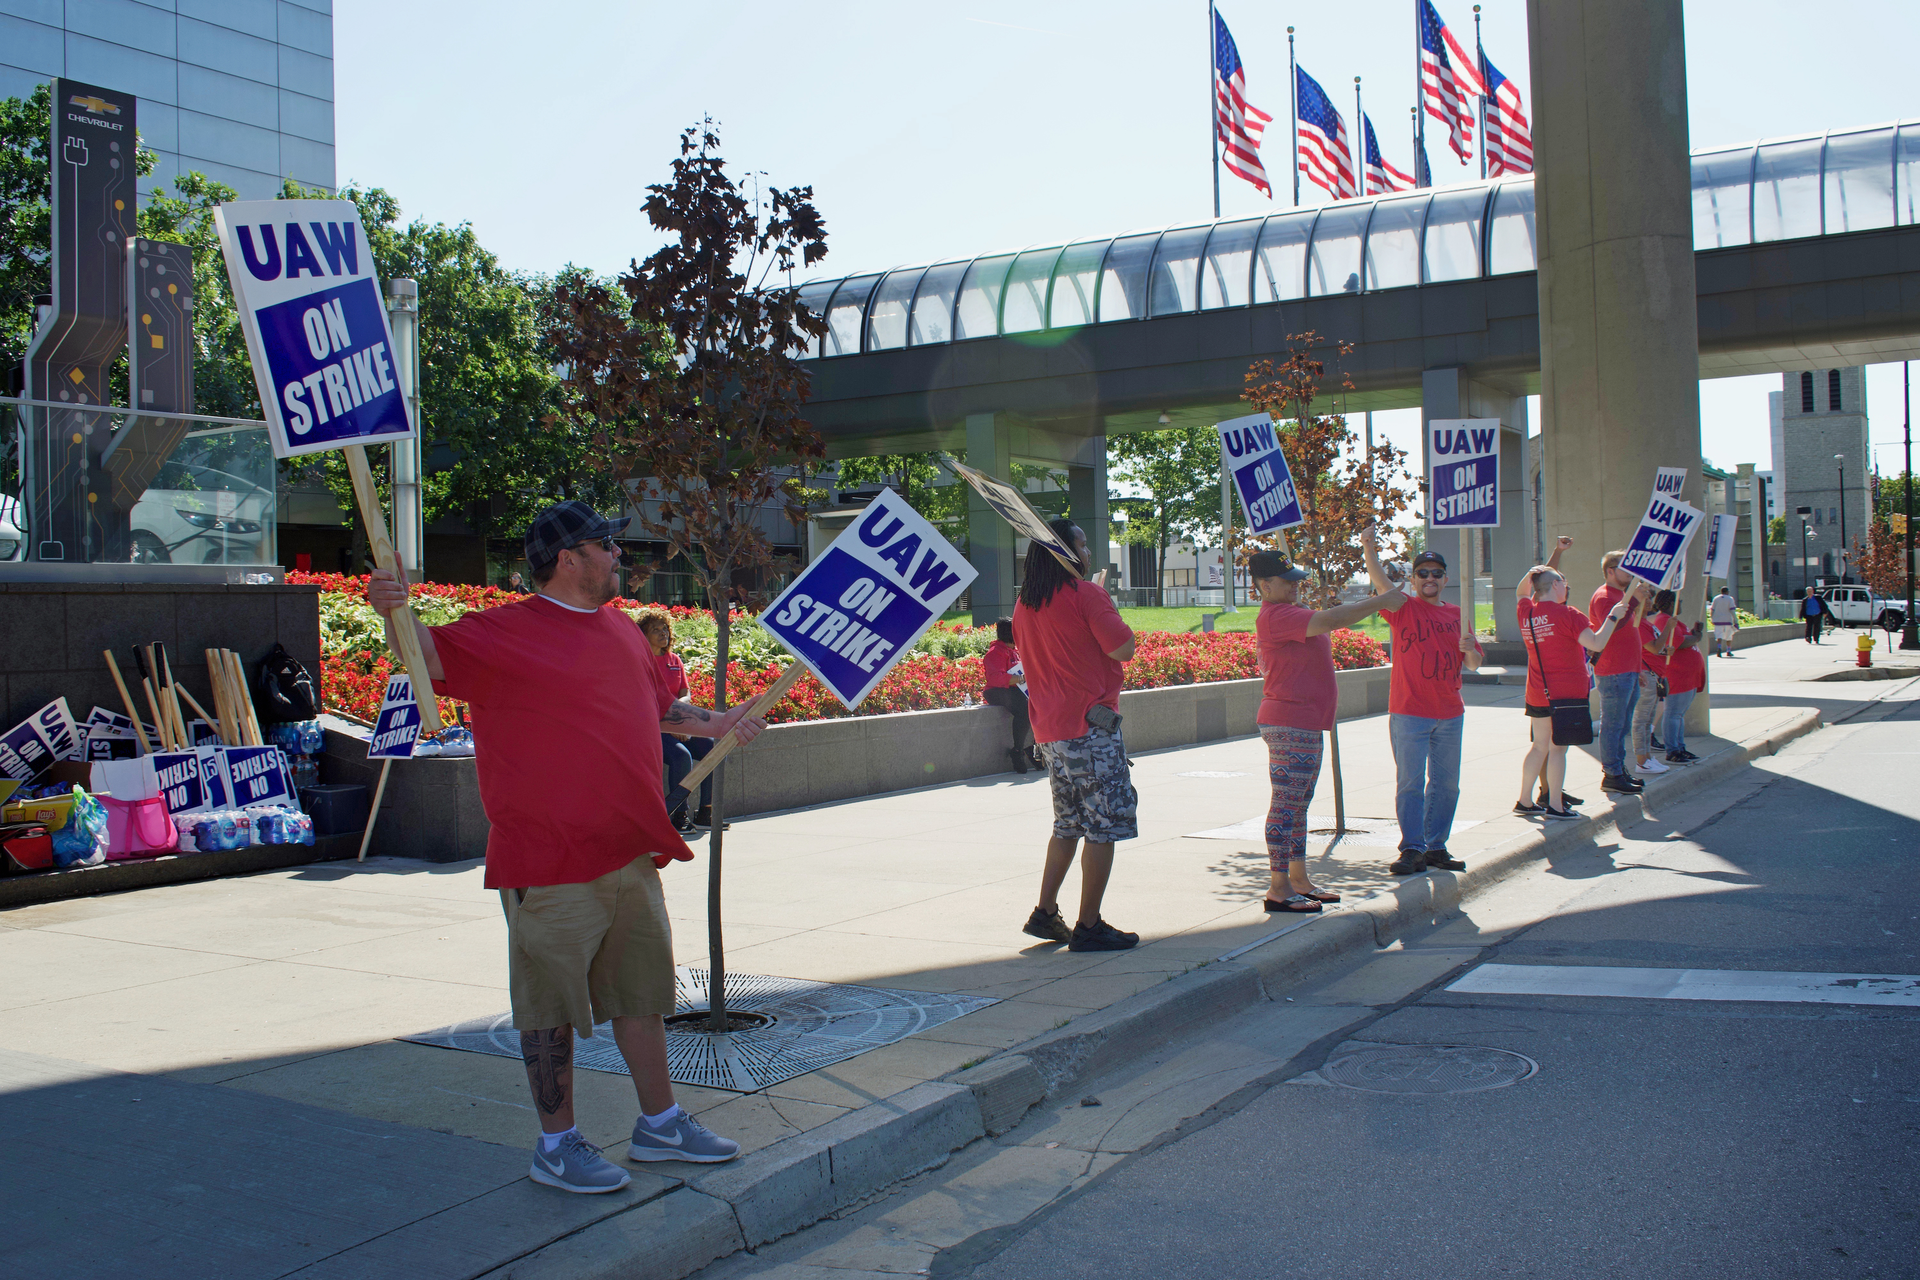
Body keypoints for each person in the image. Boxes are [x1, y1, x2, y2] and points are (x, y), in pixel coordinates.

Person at [367, 500, 767, 1194]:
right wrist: (388, 609)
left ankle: (660, 1123)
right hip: (548, 862)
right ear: (567, 558)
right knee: (547, 1010)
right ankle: (557, 1146)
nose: (618, 555)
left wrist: (720, 722)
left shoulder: (621, 633)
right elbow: (422, 653)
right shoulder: (504, 633)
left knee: (641, 997)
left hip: (631, 855)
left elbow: (659, 710)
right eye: (605, 545)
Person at [1251, 548, 1404, 912]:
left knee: (1299, 805)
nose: (1294, 587)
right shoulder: (1275, 616)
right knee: (1286, 805)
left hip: (1304, 721)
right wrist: (1382, 601)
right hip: (1289, 721)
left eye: (1295, 580)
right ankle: (1278, 887)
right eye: (1286, 582)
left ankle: (1299, 879)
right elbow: (1332, 619)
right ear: (1264, 585)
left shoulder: (1290, 612)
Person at [1013, 518, 1140, 952]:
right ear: (1064, 553)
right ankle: (1089, 925)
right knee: (1103, 826)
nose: (1088, 553)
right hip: (1091, 731)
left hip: (1051, 732)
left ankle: (1046, 911)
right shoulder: (1088, 595)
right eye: (1082, 545)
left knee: (1067, 824)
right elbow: (1123, 648)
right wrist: (1104, 602)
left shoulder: (1025, 604)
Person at [1360, 528, 1483, 876]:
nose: (1430, 578)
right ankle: (1412, 847)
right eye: (1423, 573)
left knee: (1446, 785)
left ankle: (1436, 847)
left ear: (1445, 580)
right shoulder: (1403, 607)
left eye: (1436, 573)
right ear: (1413, 580)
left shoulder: (1458, 614)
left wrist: (1470, 647)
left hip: (1450, 713)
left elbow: (1473, 665)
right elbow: (1381, 582)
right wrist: (1369, 546)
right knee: (1410, 784)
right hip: (1409, 712)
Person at [1517, 565, 1646, 819]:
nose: (1566, 587)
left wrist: (1531, 572)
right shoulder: (1569, 614)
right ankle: (1555, 804)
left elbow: (1521, 591)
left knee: (1539, 747)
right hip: (1565, 693)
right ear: (1554, 585)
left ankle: (1524, 800)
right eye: (1563, 583)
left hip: (1536, 690)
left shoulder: (1527, 613)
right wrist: (1613, 617)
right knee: (1558, 749)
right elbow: (1596, 642)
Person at [636, 609, 717, 833]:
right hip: (653, 728)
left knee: (712, 749)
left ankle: (705, 813)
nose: (663, 634)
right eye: (656, 630)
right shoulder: (640, 661)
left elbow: (685, 693)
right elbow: (647, 699)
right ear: (643, 634)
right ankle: (677, 815)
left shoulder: (674, 659)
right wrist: (673, 723)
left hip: (678, 722)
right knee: (682, 756)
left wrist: (680, 717)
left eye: (665, 629)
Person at [1590, 550, 1651, 795]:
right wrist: (1634, 600)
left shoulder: (1620, 595)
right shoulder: (1605, 596)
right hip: (1614, 671)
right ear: (1610, 571)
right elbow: (1612, 628)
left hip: (1627, 670)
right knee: (1613, 725)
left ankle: (1618, 769)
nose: (1632, 573)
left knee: (1621, 725)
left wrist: (1638, 668)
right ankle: (1612, 773)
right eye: (1627, 568)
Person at [1631, 591, 1679, 778]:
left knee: (1647, 720)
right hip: (1646, 676)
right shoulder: (1638, 623)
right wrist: (1667, 628)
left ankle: (1647, 758)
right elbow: (1652, 647)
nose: (1650, 601)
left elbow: (1653, 649)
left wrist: (1665, 650)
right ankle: (1642, 761)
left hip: (1654, 674)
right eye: (1647, 598)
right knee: (1641, 720)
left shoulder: (1645, 623)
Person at [983, 618, 1040, 774]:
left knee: (1041, 704)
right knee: (1025, 709)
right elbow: (996, 678)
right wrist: (1024, 678)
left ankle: (1033, 746)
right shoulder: (995, 653)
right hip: (997, 691)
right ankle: (1018, 751)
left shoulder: (1015, 651)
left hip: (1016, 689)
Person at [1663, 620, 1707, 763]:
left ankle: (1680, 747)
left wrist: (1695, 634)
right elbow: (1678, 642)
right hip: (1677, 676)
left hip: (1687, 677)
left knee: (1678, 715)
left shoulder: (1677, 622)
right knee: (1673, 714)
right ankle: (1672, 750)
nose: (1680, 604)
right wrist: (1695, 638)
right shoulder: (1664, 619)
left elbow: (1684, 639)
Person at [1710, 586, 1739, 657]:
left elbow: (1712, 610)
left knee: (1719, 635)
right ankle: (1728, 651)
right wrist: (1736, 621)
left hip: (1717, 621)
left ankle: (1719, 648)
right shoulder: (1730, 599)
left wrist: (1712, 619)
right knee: (1729, 636)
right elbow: (1732, 610)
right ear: (1727, 592)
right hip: (1727, 620)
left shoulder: (1716, 598)